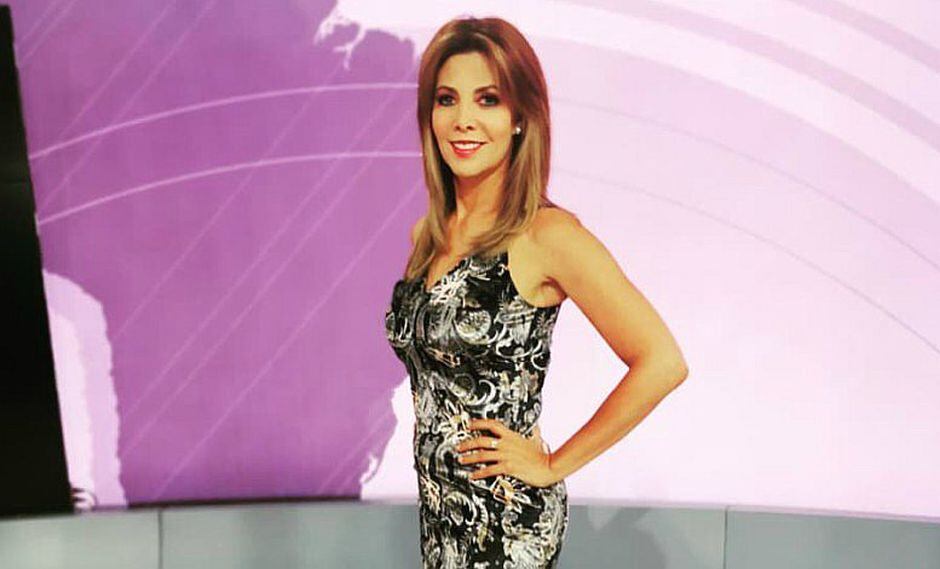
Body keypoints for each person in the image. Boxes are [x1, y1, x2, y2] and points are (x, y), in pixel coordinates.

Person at [384, 16, 689, 568]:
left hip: (506, 523)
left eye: (488, 99)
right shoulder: (427, 237)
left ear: (521, 117)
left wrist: (552, 464)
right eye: (447, 99)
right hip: (441, 521)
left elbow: (662, 361)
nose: (464, 119)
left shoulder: (547, 236)